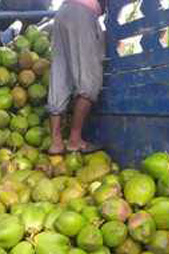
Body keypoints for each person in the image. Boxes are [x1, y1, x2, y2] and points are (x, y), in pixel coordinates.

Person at [47, 0, 107, 155]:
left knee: (60, 74)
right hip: (83, 12)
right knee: (89, 82)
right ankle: (75, 140)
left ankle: (56, 143)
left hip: (63, 12)